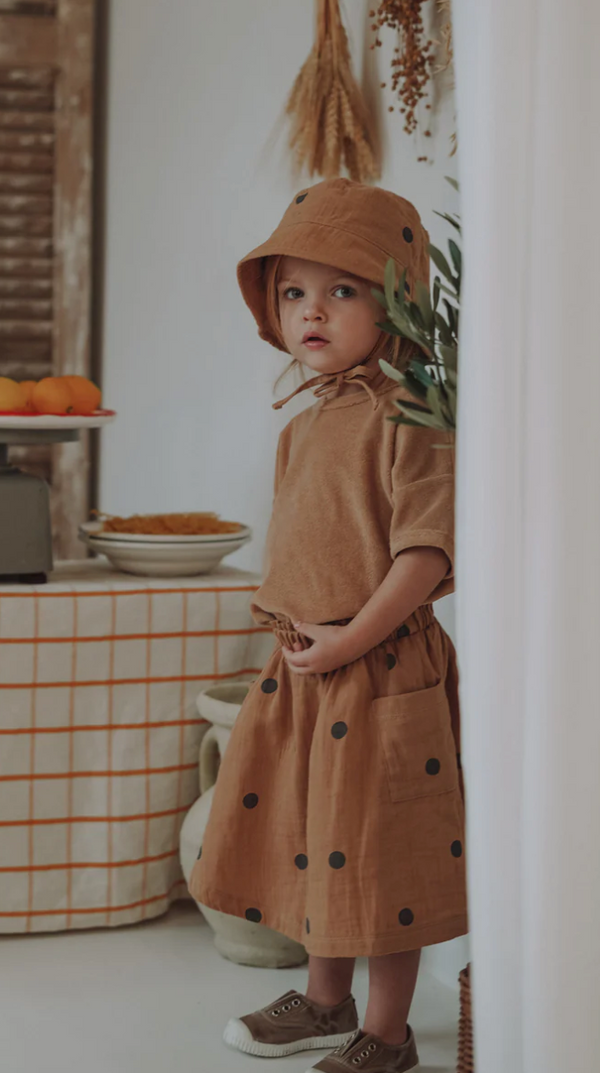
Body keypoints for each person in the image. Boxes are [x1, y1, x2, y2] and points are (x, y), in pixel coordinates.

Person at [188, 178, 467, 1073]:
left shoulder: (412, 415)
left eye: (343, 289)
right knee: (319, 839)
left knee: (384, 853)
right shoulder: (305, 425)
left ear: (397, 302)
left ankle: (386, 1035)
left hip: (381, 666)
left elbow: (423, 554)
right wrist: (304, 639)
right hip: (308, 666)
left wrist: (350, 639)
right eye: (295, 292)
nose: (313, 311)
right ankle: (321, 999)